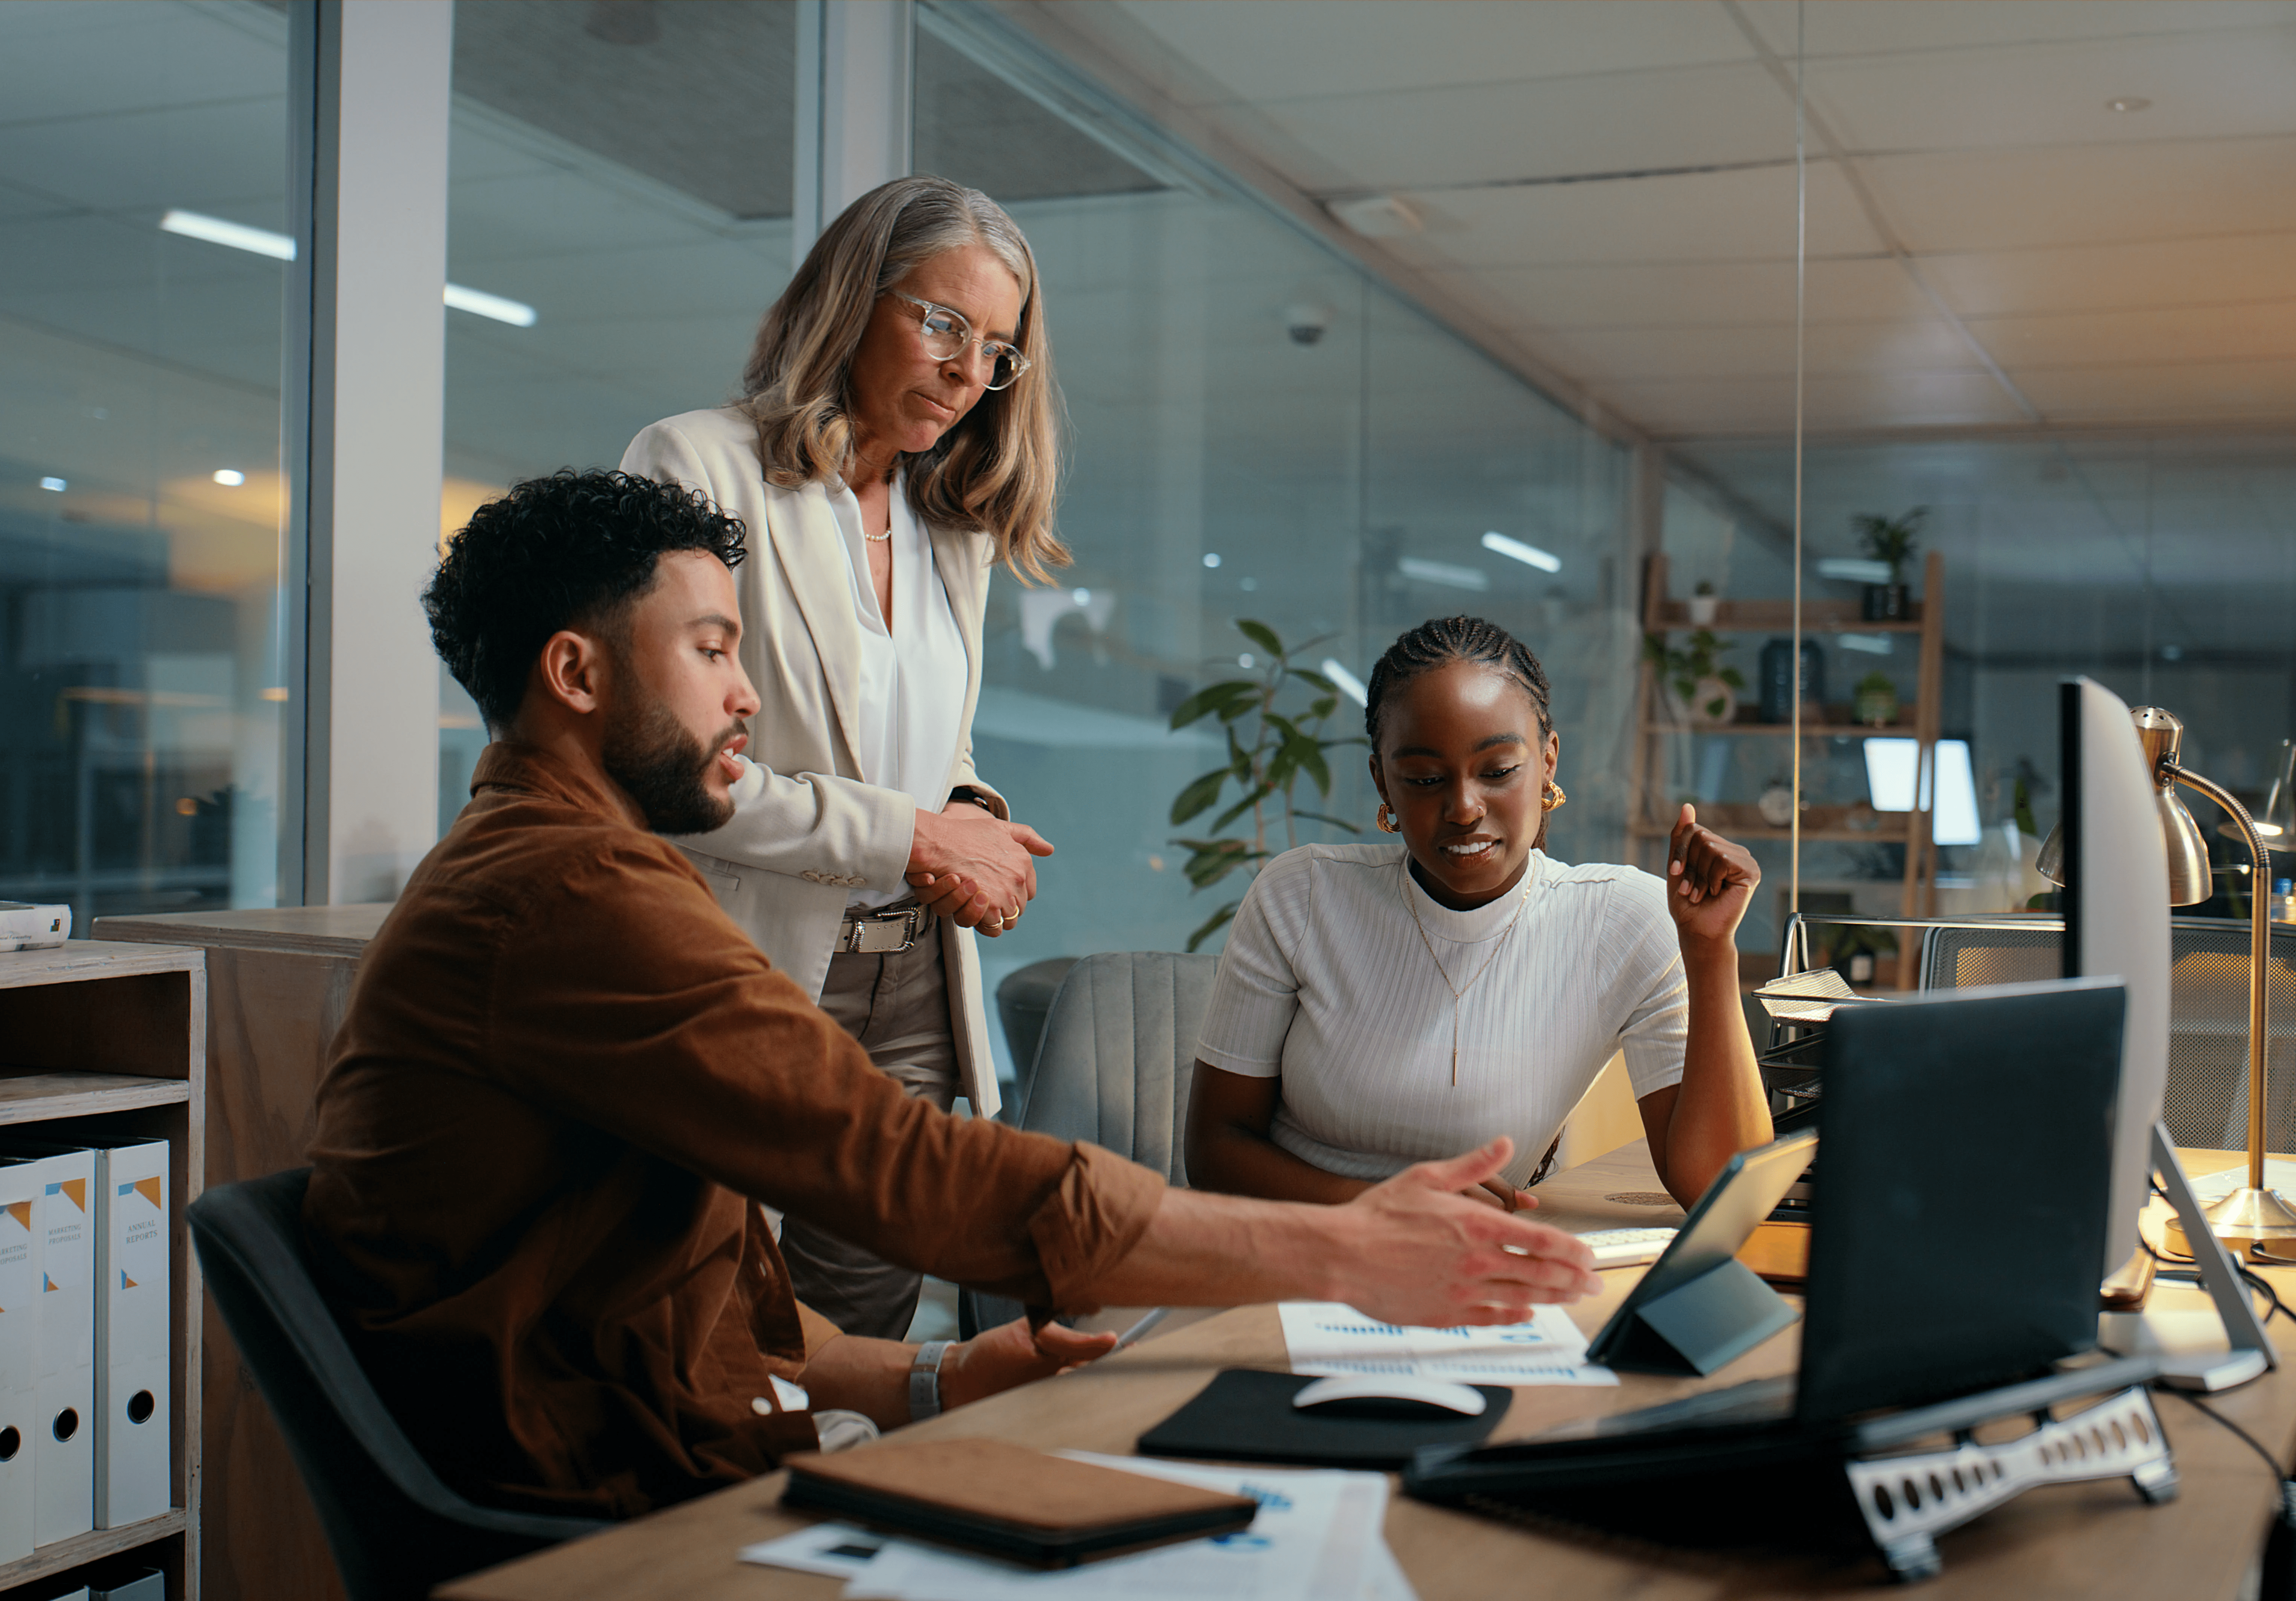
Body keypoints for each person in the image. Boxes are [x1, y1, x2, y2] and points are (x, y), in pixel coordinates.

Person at [302, 474, 1601, 1520]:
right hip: (614, 1515)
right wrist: (1347, 1250)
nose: (748, 691)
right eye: (709, 648)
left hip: (677, 1447)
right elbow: (901, 1166)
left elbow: (697, 1293)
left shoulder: (562, 876)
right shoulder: (566, 900)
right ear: (578, 676)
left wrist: (935, 1373)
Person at [619, 175, 1060, 1340]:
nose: (970, 371)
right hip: (749, 960)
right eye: (944, 323)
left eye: (998, 350)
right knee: (720, 1323)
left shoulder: (946, 525)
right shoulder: (695, 467)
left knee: (866, 1323)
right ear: (853, 298)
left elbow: (929, 744)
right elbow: (665, 772)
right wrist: (914, 832)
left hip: (913, 978)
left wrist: (967, 817)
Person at [1185, 615, 1774, 1216]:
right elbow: (1213, 1150)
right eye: (1423, 778)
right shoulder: (1303, 895)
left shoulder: (1623, 921)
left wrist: (1710, 953)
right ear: (1381, 783)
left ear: (1547, 762)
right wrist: (1386, 1208)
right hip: (1287, 1260)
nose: (1463, 807)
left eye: (1497, 772)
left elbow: (1722, 1193)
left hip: (1469, 1279)